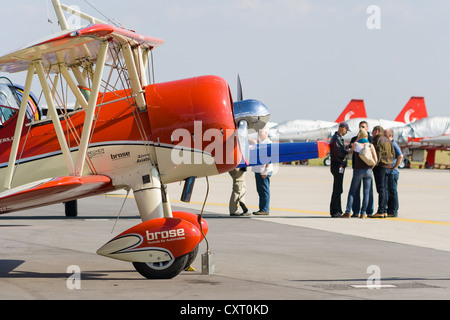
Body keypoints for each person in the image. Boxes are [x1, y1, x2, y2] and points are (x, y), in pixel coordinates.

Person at [341, 128, 377, 218]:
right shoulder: (370, 145)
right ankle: (363, 213)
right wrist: (370, 168)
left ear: (359, 135)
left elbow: (351, 152)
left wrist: (357, 139)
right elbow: (375, 160)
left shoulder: (356, 144)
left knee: (353, 191)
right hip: (368, 170)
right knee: (366, 192)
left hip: (358, 170)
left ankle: (348, 211)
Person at [348, 121, 374, 217]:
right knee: (357, 191)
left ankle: (368, 211)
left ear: (367, 128)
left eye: (363, 127)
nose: (361, 128)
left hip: (364, 168)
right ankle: (356, 211)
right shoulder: (354, 139)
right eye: (360, 127)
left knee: (368, 192)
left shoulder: (370, 139)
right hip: (359, 167)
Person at [371, 125, 395, 218]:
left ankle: (380, 210)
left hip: (380, 167)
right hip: (388, 166)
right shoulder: (388, 140)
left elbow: (377, 154)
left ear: (377, 131)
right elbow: (393, 153)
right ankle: (384, 210)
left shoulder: (378, 140)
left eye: (373, 131)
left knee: (381, 189)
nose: (372, 133)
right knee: (385, 189)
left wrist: (374, 164)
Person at [329, 122, 350, 217]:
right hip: (338, 166)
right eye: (346, 130)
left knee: (338, 188)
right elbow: (340, 152)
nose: (346, 132)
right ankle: (335, 211)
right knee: (337, 189)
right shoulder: (336, 138)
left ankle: (338, 209)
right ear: (342, 128)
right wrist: (349, 151)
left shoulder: (338, 138)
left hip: (339, 166)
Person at [252, 126, 273, 215]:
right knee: (260, 190)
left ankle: (265, 209)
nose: (259, 134)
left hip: (263, 170)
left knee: (264, 190)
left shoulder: (268, 143)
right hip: (258, 169)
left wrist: (266, 169)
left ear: (266, 134)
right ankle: (262, 208)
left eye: (261, 133)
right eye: (259, 133)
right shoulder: (261, 142)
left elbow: (269, 157)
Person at [385, 128, 403, 217]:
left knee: (393, 192)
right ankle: (389, 209)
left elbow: (400, 155)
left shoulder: (393, 144)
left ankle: (393, 211)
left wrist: (395, 166)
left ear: (390, 135)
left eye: (385, 133)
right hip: (389, 171)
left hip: (393, 172)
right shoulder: (388, 144)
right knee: (389, 191)